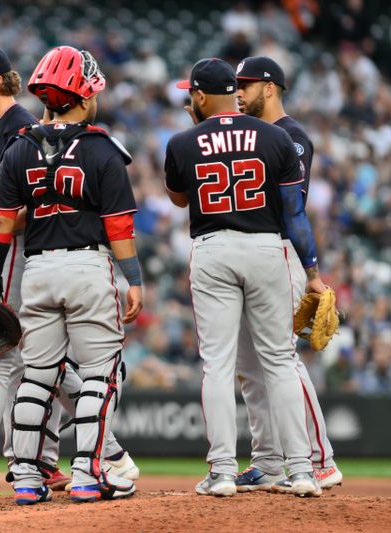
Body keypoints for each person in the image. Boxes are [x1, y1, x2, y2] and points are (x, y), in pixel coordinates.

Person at [0, 46, 138, 508]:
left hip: (26, 252)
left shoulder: (20, 129)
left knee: (1, 362)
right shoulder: (8, 131)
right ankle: (105, 457)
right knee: (47, 368)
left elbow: (11, 214)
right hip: (52, 258)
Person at [0, 46, 143, 505]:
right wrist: (135, 279)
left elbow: (1, 226)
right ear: (84, 95)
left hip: (37, 271)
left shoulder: (18, 148)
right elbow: (119, 228)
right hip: (88, 267)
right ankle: (89, 473)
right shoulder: (101, 148)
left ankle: (28, 478)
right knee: (100, 373)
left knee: (37, 374)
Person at [164, 58, 323, 497]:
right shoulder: (277, 137)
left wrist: (195, 130)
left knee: (217, 364)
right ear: (235, 91)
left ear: (199, 96)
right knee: (278, 361)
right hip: (267, 247)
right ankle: (302, 470)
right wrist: (311, 272)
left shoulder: (182, 140)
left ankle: (222, 472)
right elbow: (294, 212)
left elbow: (179, 199)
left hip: (213, 247)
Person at [233, 56, 343, 493]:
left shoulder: (292, 137)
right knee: (249, 367)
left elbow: (290, 208)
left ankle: (320, 459)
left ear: (270, 87)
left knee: (280, 359)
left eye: (246, 84)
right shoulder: (247, 134)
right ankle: (268, 461)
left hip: (280, 253)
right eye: (235, 84)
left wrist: (313, 272)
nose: (238, 92)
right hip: (249, 254)